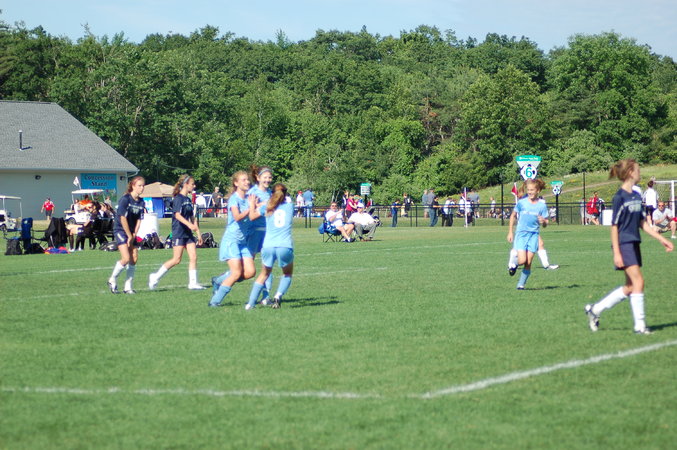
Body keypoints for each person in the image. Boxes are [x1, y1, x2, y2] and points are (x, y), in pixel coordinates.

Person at [585, 159, 673, 334]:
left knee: (630, 287)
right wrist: (616, 252)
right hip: (624, 244)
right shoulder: (619, 197)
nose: (640, 173)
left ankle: (595, 310)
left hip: (634, 243)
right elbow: (614, 226)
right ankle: (640, 326)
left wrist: (661, 239)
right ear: (630, 173)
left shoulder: (636, 195)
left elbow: (643, 223)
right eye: (638, 170)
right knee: (639, 281)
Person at [148, 175, 205, 291]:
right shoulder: (178, 199)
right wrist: (189, 225)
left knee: (193, 256)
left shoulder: (188, 200)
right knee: (176, 259)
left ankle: (193, 283)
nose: (194, 186)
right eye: (192, 184)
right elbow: (177, 215)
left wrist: (198, 233)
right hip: (179, 232)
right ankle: (155, 276)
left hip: (188, 233)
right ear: (186, 184)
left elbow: (192, 217)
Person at [209, 171, 256, 307]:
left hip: (243, 242)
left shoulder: (249, 198)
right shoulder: (234, 199)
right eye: (243, 180)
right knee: (236, 273)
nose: (247, 182)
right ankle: (214, 301)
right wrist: (251, 207)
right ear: (236, 183)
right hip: (231, 240)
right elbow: (237, 217)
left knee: (250, 272)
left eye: (247, 180)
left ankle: (219, 280)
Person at [245, 183, 295, 309]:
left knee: (264, 274)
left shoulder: (267, 207)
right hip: (284, 245)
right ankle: (278, 295)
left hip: (268, 245)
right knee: (287, 274)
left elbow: (252, 216)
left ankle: (250, 304)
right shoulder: (289, 206)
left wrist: (252, 204)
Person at [506, 178, 549, 290]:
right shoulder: (522, 203)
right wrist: (510, 232)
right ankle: (513, 262)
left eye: (532, 190)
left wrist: (543, 221)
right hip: (521, 234)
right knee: (522, 260)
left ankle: (521, 284)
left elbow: (546, 223)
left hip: (534, 235)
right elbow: (513, 216)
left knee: (528, 262)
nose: (530, 192)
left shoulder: (542, 206)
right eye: (528, 190)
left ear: (538, 191)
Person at [107, 176, 145, 294]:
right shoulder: (125, 199)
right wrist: (129, 235)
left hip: (131, 233)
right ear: (133, 186)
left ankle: (128, 287)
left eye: (143, 185)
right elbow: (122, 218)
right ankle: (112, 279)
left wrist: (134, 234)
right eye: (139, 185)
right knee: (126, 258)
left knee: (134, 258)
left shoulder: (141, 202)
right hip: (121, 230)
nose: (142, 188)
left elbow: (139, 219)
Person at [246, 166, 274, 304]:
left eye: (270, 177)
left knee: (267, 265)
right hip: (253, 231)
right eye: (265, 177)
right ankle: (221, 281)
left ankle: (265, 296)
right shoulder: (252, 192)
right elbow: (248, 210)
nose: (268, 180)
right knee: (246, 269)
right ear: (258, 178)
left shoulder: (270, 193)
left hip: (267, 232)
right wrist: (261, 205)